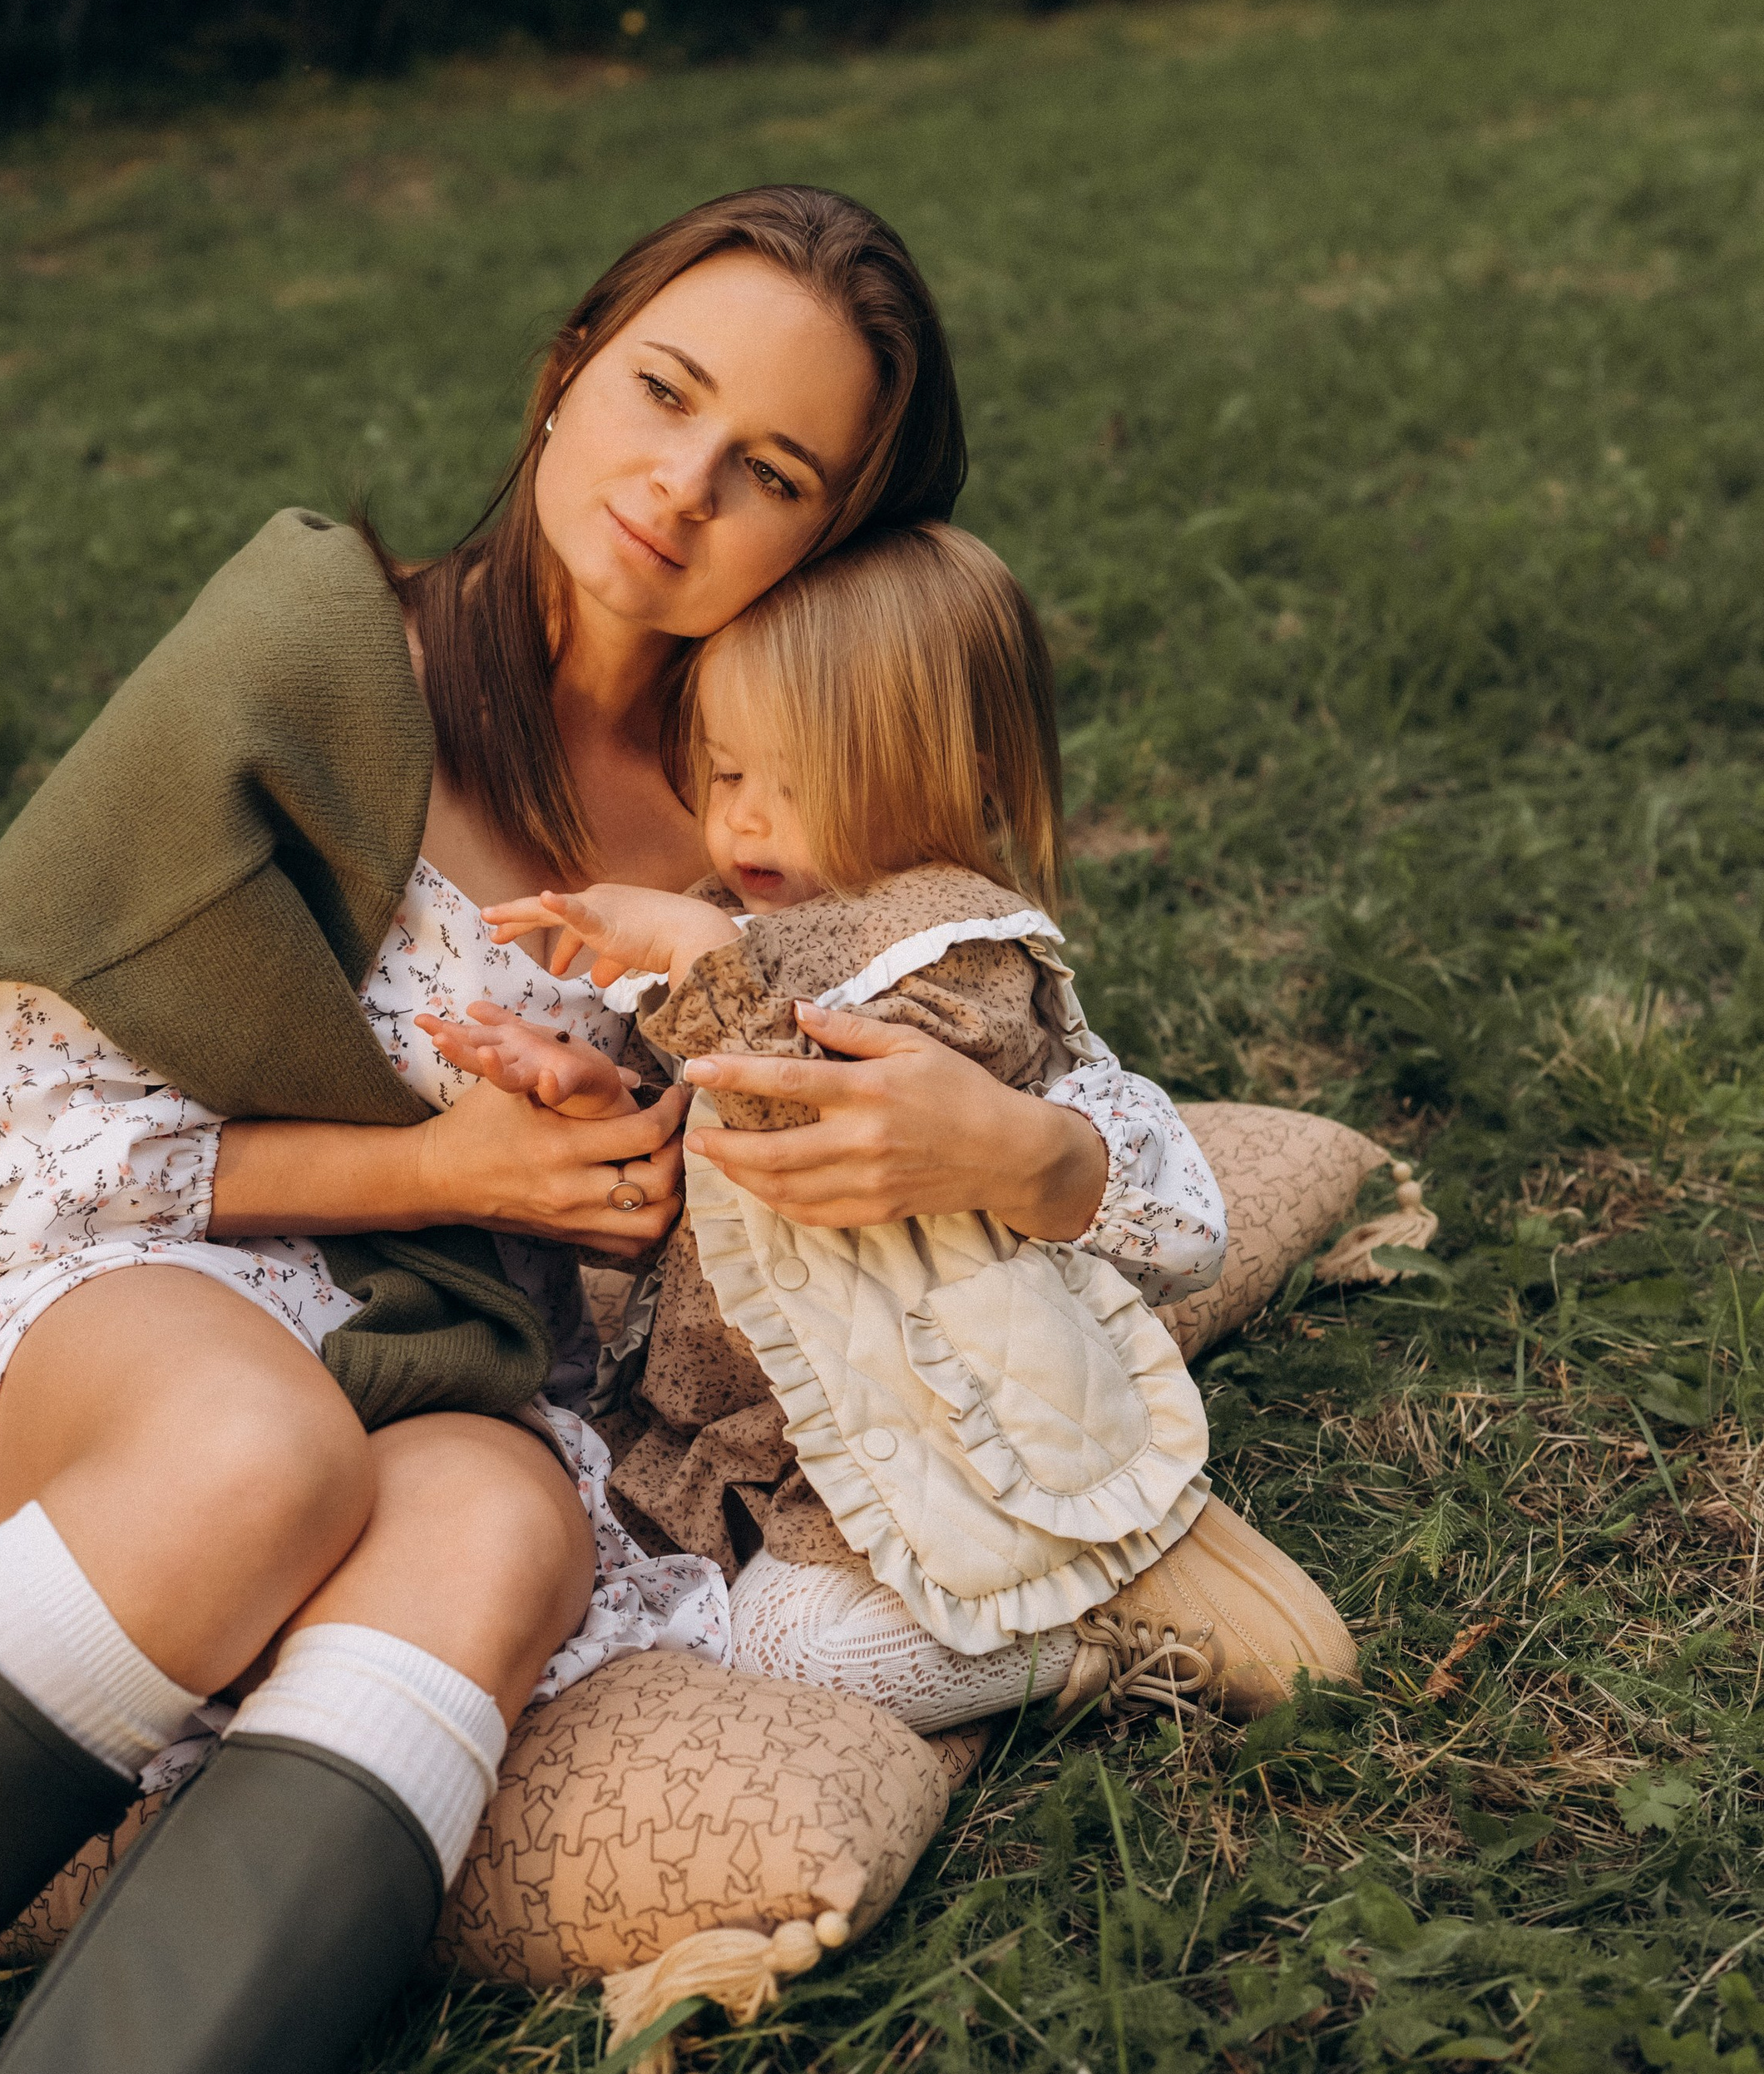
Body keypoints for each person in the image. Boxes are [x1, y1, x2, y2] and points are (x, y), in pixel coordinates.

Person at [0, 186, 1217, 2074]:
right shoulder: (318, 657)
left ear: (836, 539)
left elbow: (1133, 1148)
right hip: (127, 1300)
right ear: (571, 367)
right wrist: (446, 1158)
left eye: (775, 472)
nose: (682, 486)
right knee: (258, 1445)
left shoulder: (776, 806)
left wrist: (1012, 1147)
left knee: (504, 1521)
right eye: (666, 393)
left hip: (461, 1396)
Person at [445, 521, 1356, 1734]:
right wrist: (607, 1106)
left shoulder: (955, 946)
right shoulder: (737, 916)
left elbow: (805, 1129)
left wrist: (709, 969)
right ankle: (1026, 1600)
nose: (747, 827)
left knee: (792, 1654)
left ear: (950, 770)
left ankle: (1085, 1634)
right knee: (625, 1587)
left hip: (915, 1408)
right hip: (755, 1418)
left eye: (796, 783)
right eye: (723, 777)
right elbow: (710, 1148)